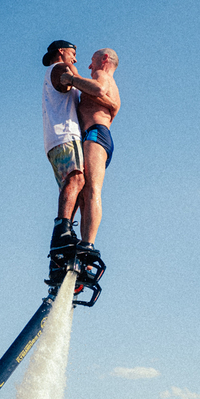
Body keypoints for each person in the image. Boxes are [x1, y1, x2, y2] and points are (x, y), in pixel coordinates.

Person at [58, 48, 120, 260]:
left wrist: (71, 79)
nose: (89, 66)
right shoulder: (113, 88)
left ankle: (88, 244)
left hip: (96, 134)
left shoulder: (102, 76)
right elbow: (105, 99)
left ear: (104, 59)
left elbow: (99, 89)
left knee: (92, 189)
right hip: (96, 136)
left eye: (92, 61)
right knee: (85, 193)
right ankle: (83, 242)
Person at [41, 40, 85, 281]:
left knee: (75, 186)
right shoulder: (59, 69)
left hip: (55, 139)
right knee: (76, 178)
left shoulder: (53, 71)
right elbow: (68, 83)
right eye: (73, 54)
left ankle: (59, 256)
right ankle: (62, 230)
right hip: (65, 134)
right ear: (61, 52)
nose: (75, 59)